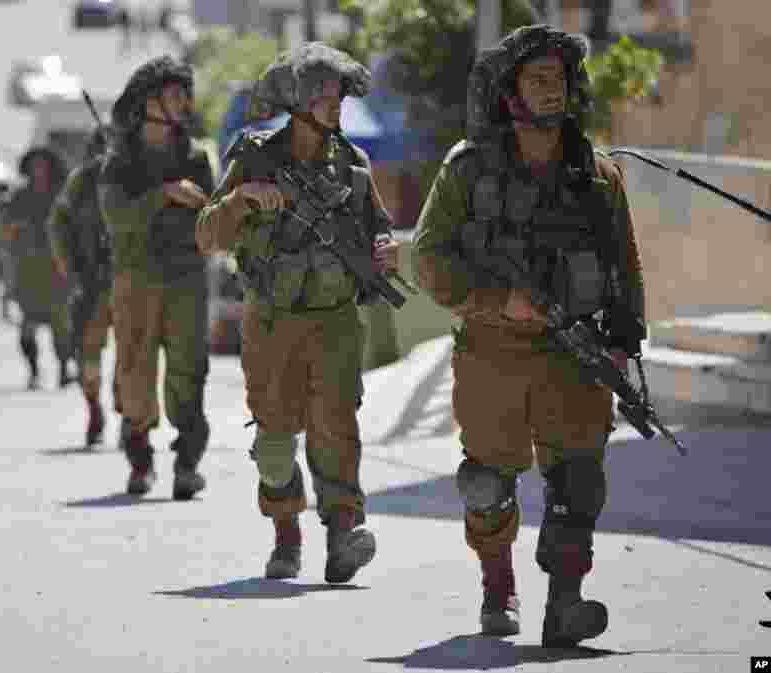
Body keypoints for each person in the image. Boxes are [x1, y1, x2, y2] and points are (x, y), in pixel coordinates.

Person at [412, 25, 646, 645]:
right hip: (495, 353)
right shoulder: (467, 170)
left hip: (576, 356)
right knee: (487, 480)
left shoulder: (598, 177)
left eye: (559, 79)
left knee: (579, 481)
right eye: (536, 78)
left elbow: (625, 263)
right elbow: (429, 260)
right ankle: (498, 587)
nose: (551, 89)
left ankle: (564, 604)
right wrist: (498, 300)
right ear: (509, 91)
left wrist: (624, 339)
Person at [195, 42, 402, 584]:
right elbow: (207, 236)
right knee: (275, 436)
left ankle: (342, 534)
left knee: (337, 428)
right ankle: (286, 532)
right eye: (321, 94)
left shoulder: (353, 165)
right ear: (295, 101)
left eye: (337, 94)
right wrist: (241, 201)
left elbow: (377, 228)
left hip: (334, 319)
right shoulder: (254, 155)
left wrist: (385, 249)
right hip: (272, 320)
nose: (334, 104)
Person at [98, 56, 216, 499]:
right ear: (149, 101)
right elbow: (117, 217)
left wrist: (199, 201)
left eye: (185, 93)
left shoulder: (194, 156)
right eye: (173, 93)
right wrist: (163, 194)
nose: (183, 102)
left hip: (186, 277)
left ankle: (187, 463)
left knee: (189, 371)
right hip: (137, 279)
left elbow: (211, 212)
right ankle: (140, 459)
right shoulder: (120, 162)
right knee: (135, 370)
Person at [48, 127, 119, 447]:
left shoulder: (136, 175)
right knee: (88, 354)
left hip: (132, 280)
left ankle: (130, 415)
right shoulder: (82, 181)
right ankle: (94, 408)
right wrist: (71, 267)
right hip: (92, 282)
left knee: (134, 354)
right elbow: (58, 223)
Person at [1, 147, 74, 390]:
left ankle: (64, 368)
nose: (38, 170)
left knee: (60, 325)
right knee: (27, 325)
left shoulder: (62, 194)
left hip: (57, 267)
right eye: (35, 165)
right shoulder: (20, 197)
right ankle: (33, 371)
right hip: (29, 268)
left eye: (43, 165)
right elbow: (7, 229)